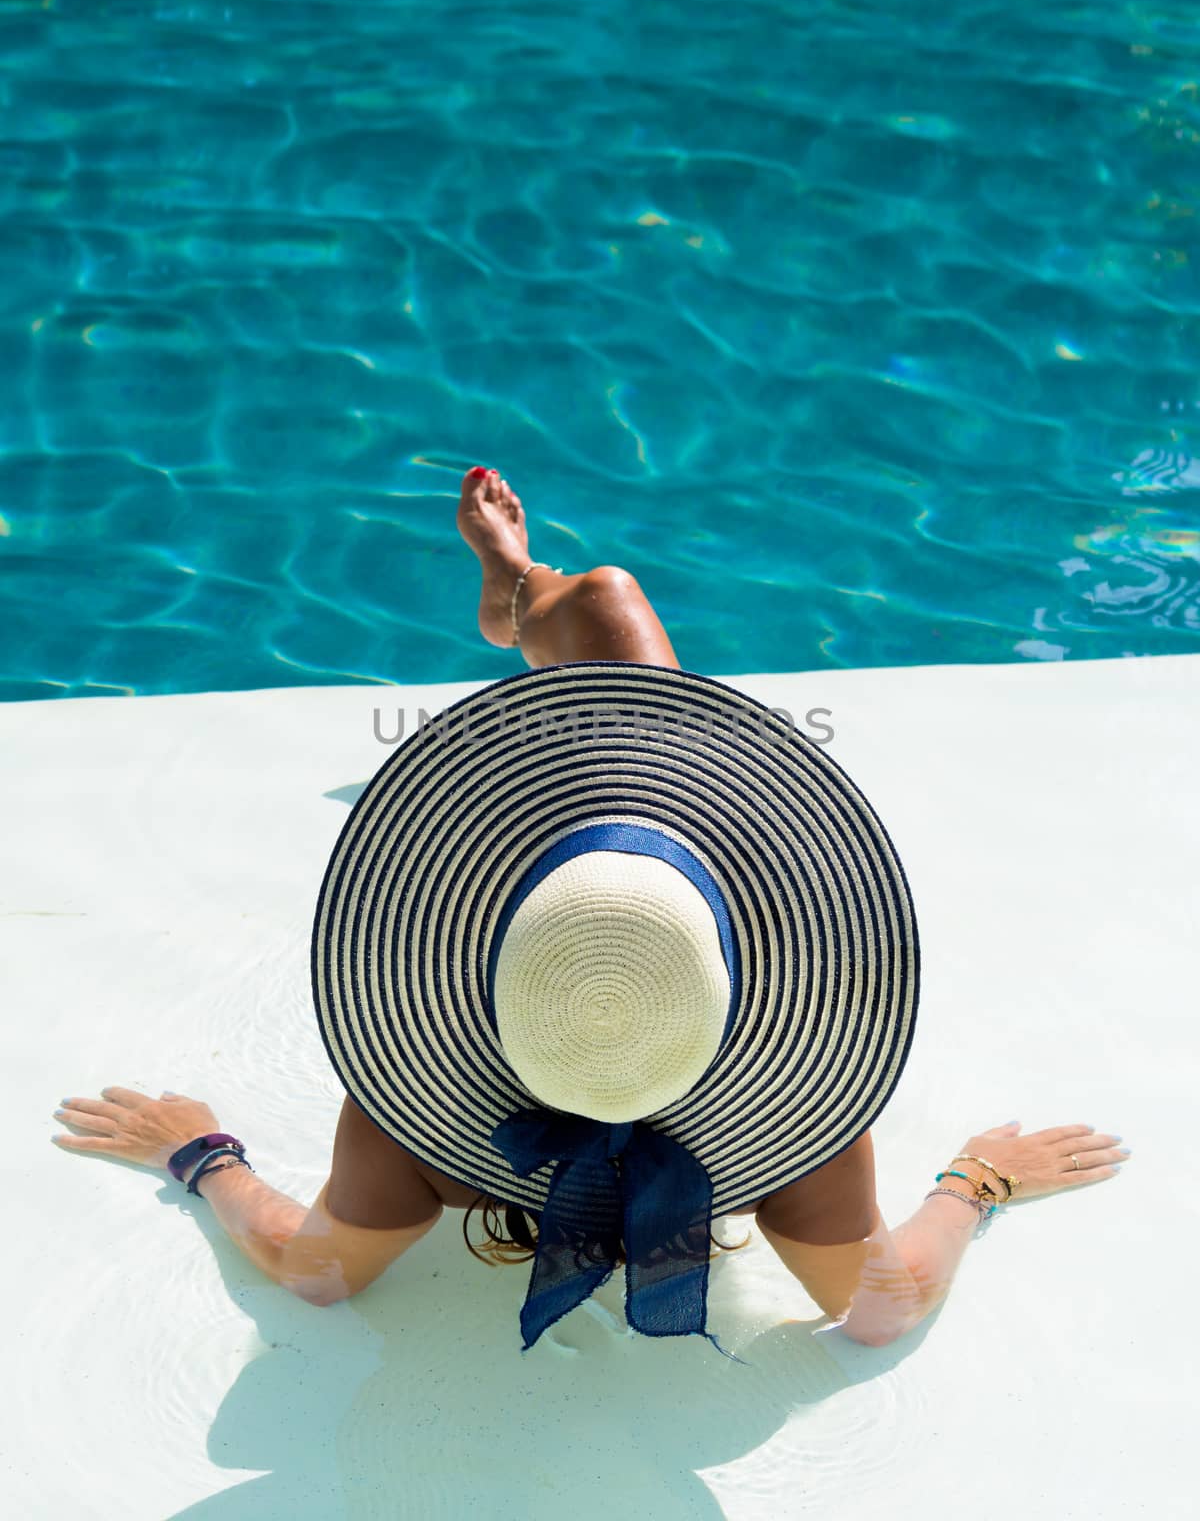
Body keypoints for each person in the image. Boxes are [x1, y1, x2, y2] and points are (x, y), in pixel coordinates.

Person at [51, 467, 1128, 1347]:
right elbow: (882, 1307)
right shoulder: (811, 1142)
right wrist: (977, 1182)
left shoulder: (402, 1126)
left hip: (538, 975)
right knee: (615, 606)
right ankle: (525, 595)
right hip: (675, 985)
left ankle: (523, 593)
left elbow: (314, 1272)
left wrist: (200, 1155)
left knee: (610, 605)